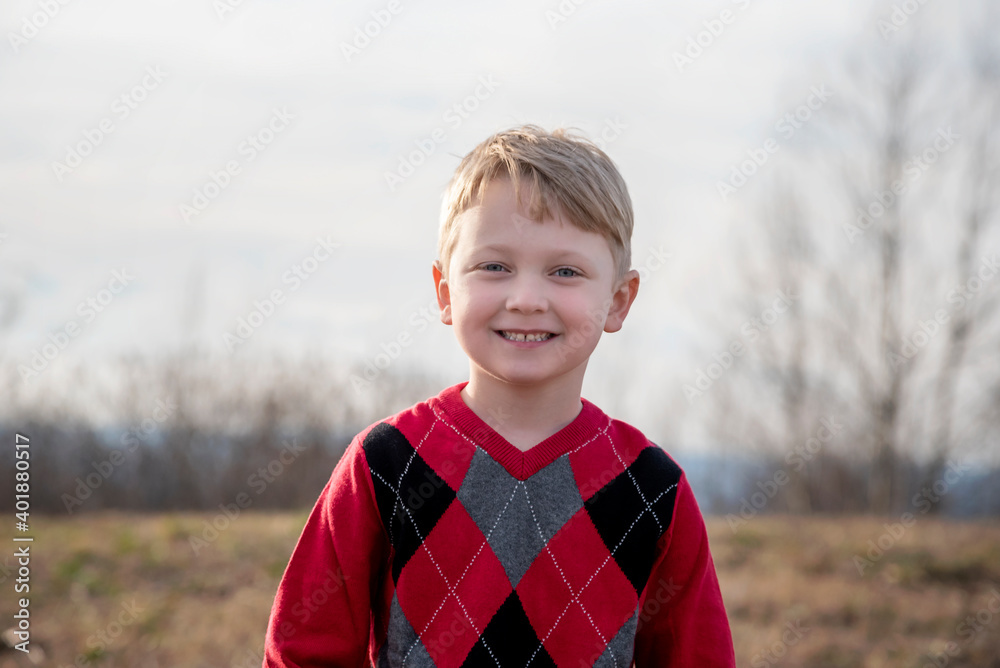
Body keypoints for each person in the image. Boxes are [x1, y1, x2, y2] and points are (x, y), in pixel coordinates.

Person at [262, 125, 735, 667]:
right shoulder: (386, 462)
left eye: (565, 271)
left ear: (618, 301)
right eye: (494, 267)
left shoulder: (653, 488)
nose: (526, 299)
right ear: (445, 291)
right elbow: (302, 652)